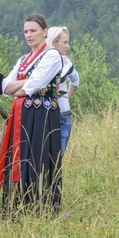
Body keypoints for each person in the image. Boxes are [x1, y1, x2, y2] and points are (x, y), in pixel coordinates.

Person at [0, 13, 63, 214]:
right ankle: (18, 206)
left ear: (45, 32)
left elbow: (33, 85)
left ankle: (40, 207)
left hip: (42, 115)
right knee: (19, 157)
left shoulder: (51, 55)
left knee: (37, 157)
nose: (29, 35)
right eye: (26, 31)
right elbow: (6, 86)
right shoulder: (23, 59)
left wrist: (23, 84)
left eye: (33, 30)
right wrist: (25, 82)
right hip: (21, 115)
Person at [47, 27, 79, 156]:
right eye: (65, 42)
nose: (68, 46)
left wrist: (66, 98)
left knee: (57, 158)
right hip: (48, 114)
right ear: (54, 42)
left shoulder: (67, 64)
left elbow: (75, 80)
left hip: (63, 114)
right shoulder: (43, 63)